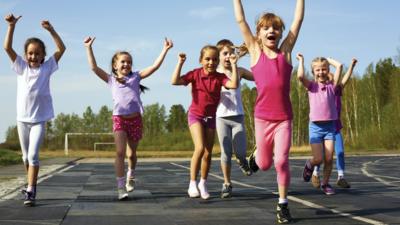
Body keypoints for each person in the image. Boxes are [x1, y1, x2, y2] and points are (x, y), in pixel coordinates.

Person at [232, 0, 304, 223]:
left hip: (284, 119)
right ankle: (255, 156)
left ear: (281, 33)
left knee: (281, 161)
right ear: (259, 34)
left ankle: (283, 205)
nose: (271, 30)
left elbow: (298, 20)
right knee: (264, 165)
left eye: (276, 27)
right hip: (263, 118)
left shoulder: (286, 52)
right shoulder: (255, 52)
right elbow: (240, 20)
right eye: (266, 28)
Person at [84, 36, 173, 200]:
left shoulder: (136, 77)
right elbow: (94, 68)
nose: (126, 64)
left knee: (131, 155)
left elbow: (154, 66)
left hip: (135, 120)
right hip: (119, 119)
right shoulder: (111, 80)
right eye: (123, 62)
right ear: (115, 65)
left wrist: (165, 50)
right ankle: (120, 188)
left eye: (129, 62)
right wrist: (88, 47)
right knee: (120, 152)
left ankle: (131, 174)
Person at [3, 14, 66, 206]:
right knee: (25, 157)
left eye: (37, 53)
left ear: (43, 56)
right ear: (25, 55)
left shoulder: (47, 68)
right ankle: (31, 184)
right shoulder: (21, 67)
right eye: (30, 53)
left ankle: (30, 190)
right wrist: (11, 26)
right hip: (23, 119)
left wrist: (51, 30)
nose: (33, 56)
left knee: (32, 156)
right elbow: (7, 47)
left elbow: (62, 49)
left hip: (39, 119)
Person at [171, 45, 238, 200]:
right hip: (195, 116)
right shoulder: (195, 74)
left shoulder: (220, 77)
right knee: (200, 148)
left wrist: (234, 64)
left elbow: (233, 84)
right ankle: (192, 183)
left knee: (208, 154)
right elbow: (174, 81)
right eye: (207, 59)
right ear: (201, 60)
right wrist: (180, 62)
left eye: (215, 59)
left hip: (211, 118)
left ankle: (203, 183)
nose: (211, 62)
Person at [297, 54, 343, 196]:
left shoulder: (332, 86)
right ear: (313, 72)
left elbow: (340, 66)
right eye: (317, 70)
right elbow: (299, 77)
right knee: (318, 159)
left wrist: (329, 60)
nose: (321, 72)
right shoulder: (312, 86)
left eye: (324, 69)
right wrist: (301, 61)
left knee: (329, 158)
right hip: (315, 128)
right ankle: (309, 165)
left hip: (330, 127)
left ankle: (325, 183)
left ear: (328, 70)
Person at [215, 39, 253, 199]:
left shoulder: (240, 71)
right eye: (225, 53)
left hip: (238, 117)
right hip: (221, 117)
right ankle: (227, 183)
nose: (228, 56)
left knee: (240, 152)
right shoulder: (214, 72)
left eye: (231, 53)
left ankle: (244, 161)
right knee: (226, 153)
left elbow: (259, 76)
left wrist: (253, 50)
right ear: (218, 56)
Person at [311, 58, 358, 189]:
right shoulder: (320, 89)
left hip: (335, 127)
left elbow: (345, 78)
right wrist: (326, 62)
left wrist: (352, 67)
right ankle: (315, 173)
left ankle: (341, 177)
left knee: (340, 152)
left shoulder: (336, 90)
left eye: (331, 74)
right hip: (322, 126)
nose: (330, 77)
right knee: (321, 155)